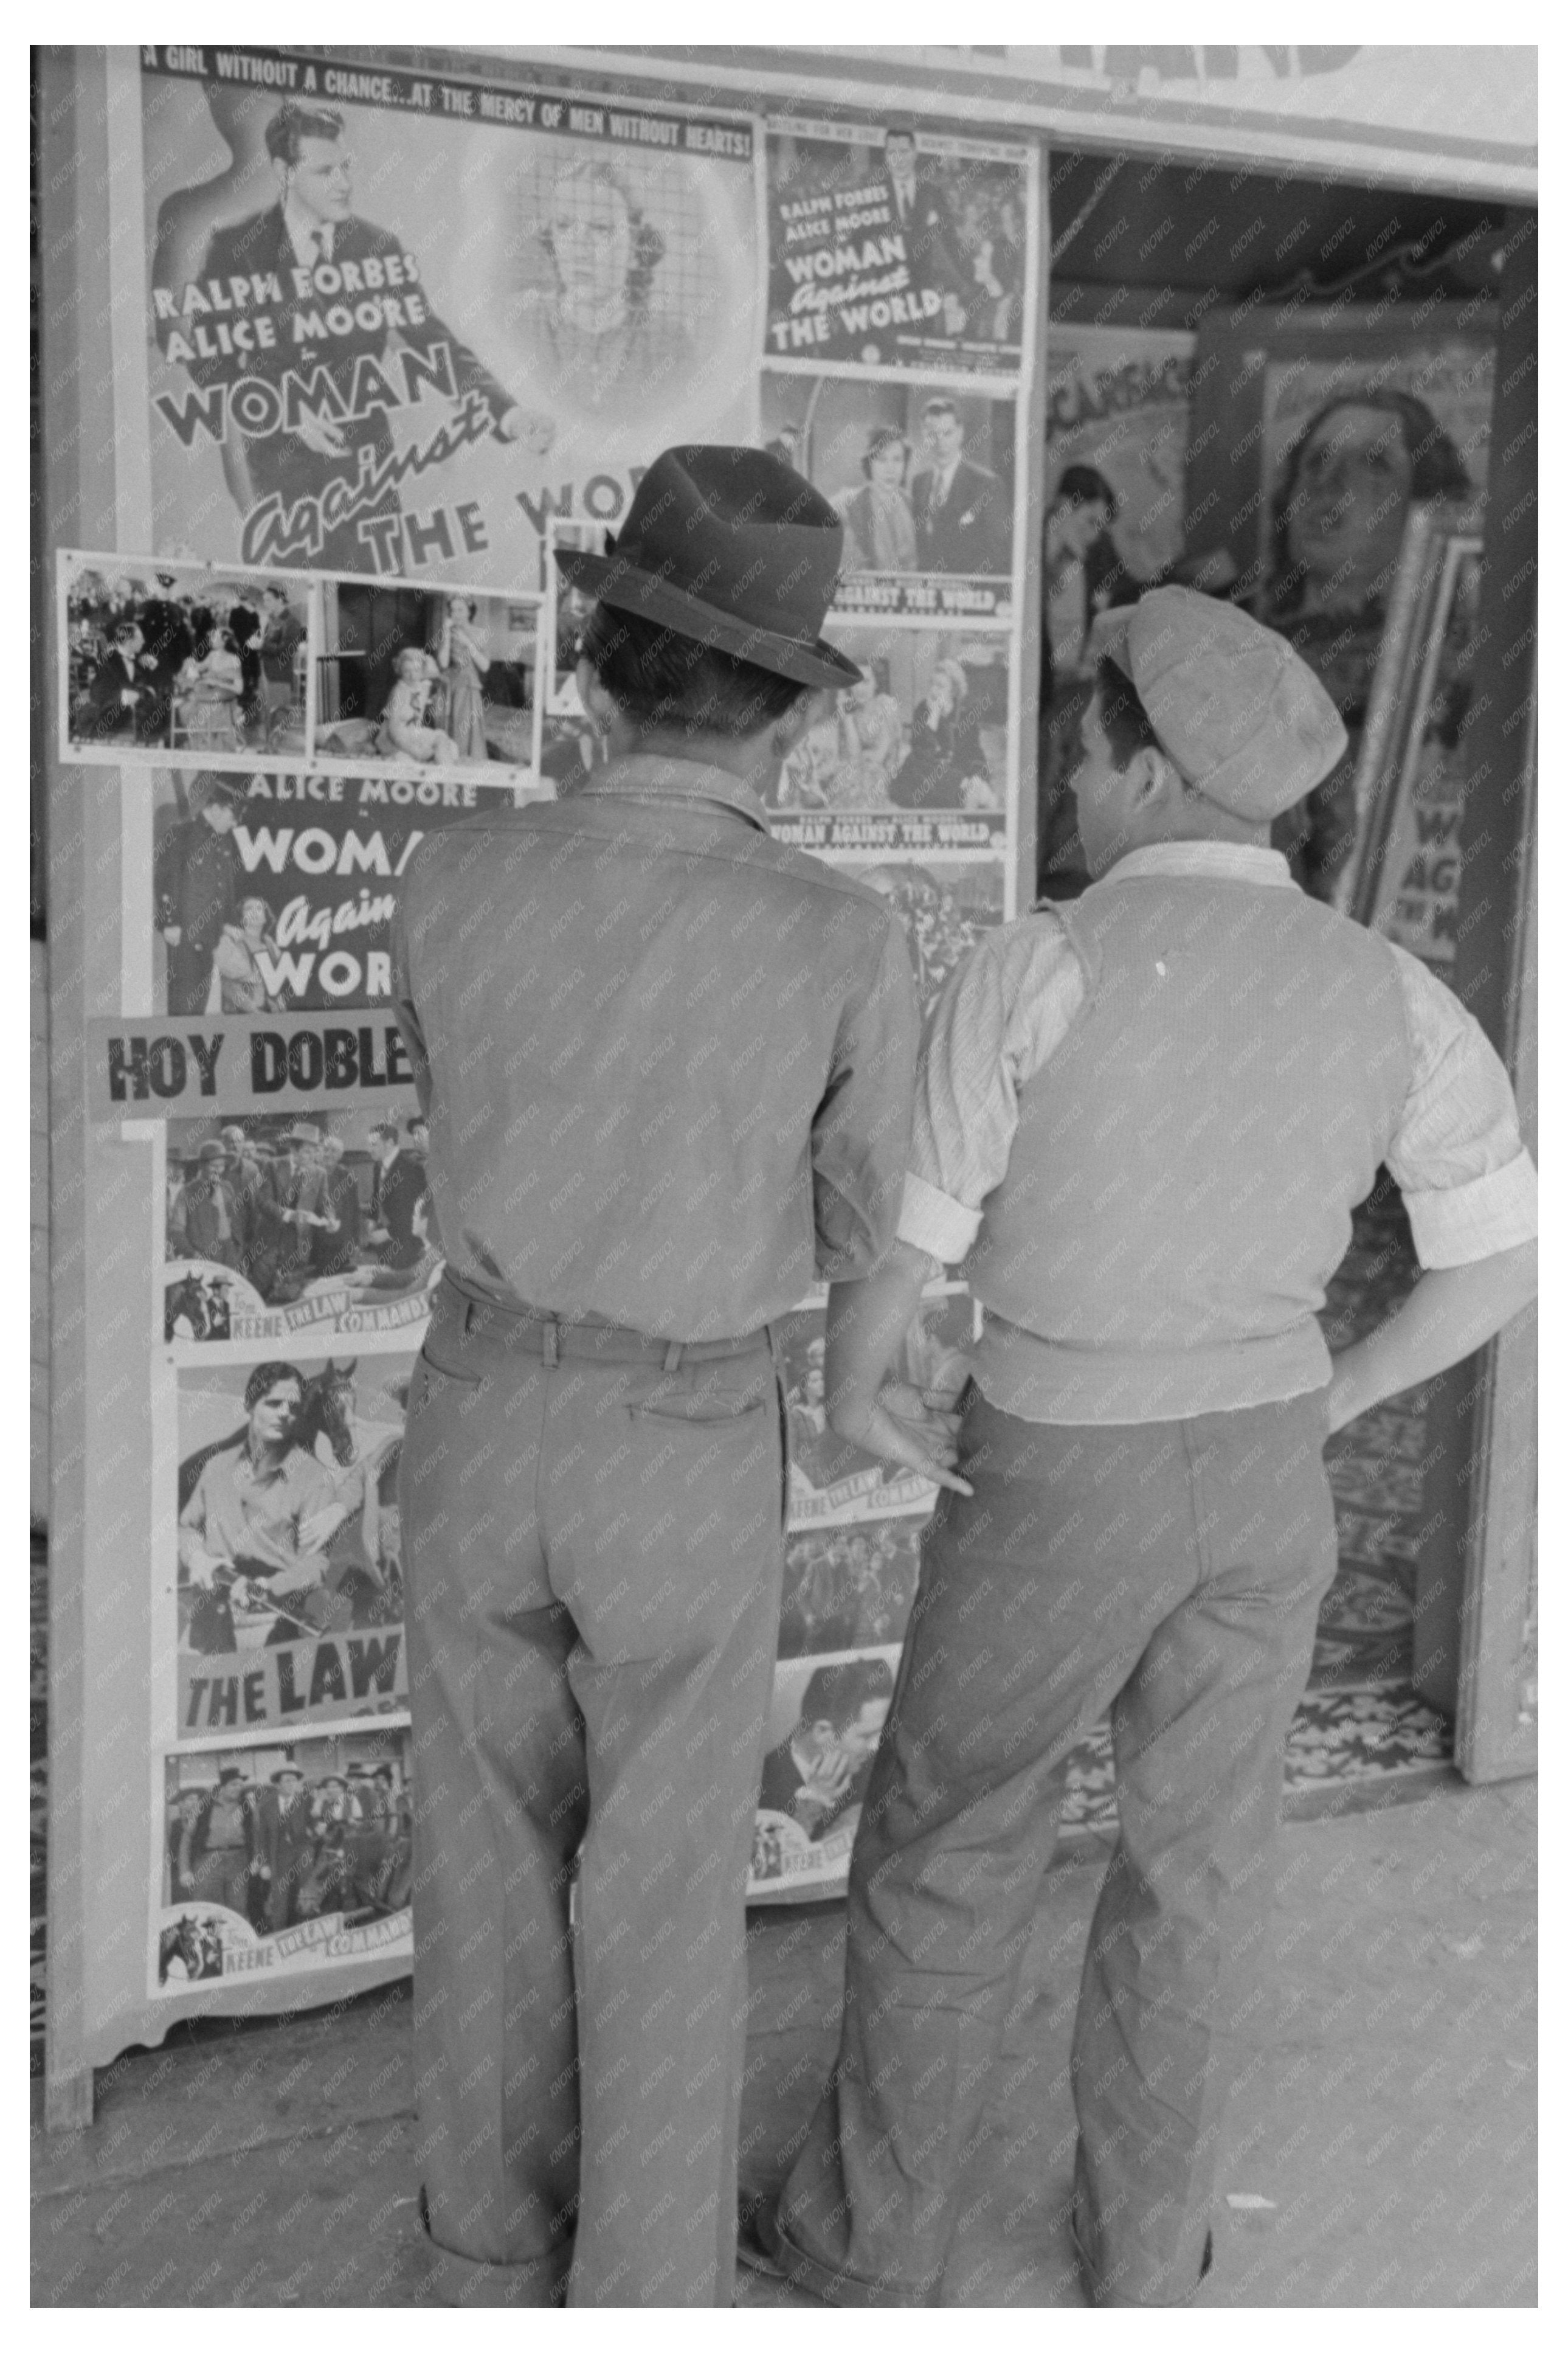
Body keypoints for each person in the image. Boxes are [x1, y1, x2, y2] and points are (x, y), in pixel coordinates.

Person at [741, 587, 1539, 2308]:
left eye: (1089, 754)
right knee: (1195, 1869)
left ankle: (870, 2235)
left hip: (1053, 1475)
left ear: (1150, 765)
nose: (1074, 789)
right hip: (1261, 1482)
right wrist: (1327, 1395)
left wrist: (861, 1387)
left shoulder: (1045, 959)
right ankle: (1146, 2251)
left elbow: (901, 1271)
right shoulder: (1385, 989)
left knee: (953, 1838)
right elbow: (1495, 1257)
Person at [390, 442, 922, 2307]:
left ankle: (480, 2258)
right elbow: (864, 1224)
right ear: (786, 704)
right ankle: (641, 2293)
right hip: (686, 1424)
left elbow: (461, 1099)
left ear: (603, 656)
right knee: (664, 1883)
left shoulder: (447, 872)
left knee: (479, 1858)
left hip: (473, 1403)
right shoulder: (840, 933)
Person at [178, 102, 530, 570]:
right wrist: (279, 406)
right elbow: (205, 357)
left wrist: (503, 412)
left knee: (382, 619)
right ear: (284, 171)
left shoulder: (375, 249)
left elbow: (432, 342)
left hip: (369, 482)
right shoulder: (235, 249)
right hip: (282, 484)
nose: (343, 183)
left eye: (346, 167)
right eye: (325, 171)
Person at [1263, 390, 1474, 902]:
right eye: (1314, 460)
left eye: (1373, 463)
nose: (1326, 483)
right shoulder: (1239, 647)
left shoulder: (1443, 671)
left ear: (1424, 504)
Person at [178, 1360, 359, 1651]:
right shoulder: (216, 1467)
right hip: (208, 1622)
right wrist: (198, 1559)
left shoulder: (316, 1479)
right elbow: (185, 1529)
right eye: (274, 1404)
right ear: (250, 1405)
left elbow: (316, 1563)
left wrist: (269, 1587)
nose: (285, 1413)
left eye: (293, 1407)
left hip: (272, 1620)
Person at [508, 156, 692, 421]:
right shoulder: (518, 319)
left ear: (635, 249)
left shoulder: (670, 342)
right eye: (563, 225)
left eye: (600, 228)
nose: (578, 245)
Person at [756, 1659, 896, 1842]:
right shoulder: (763, 1786)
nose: (877, 1745)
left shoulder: (877, 1765)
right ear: (822, 1732)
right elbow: (769, 1864)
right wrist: (813, 1801)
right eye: (866, 1736)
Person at [153, 772, 248, 1016]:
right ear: (216, 808)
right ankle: (178, 1049)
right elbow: (167, 881)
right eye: (232, 816)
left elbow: (225, 886)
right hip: (186, 935)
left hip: (211, 937)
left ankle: (190, 1050)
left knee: (199, 1004)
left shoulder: (224, 842)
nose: (235, 824)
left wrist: (229, 922)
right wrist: (169, 922)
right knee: (184, 1003)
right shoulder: (182, 835)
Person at [910, 398, 1009, 575]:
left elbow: (999, 553)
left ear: (961, 433)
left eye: (947, 433)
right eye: (933, 435)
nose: (941, 443)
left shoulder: (987, 485)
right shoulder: (919, 483)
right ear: (924, 436)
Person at [882, 128, 967, 330]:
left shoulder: (933, 194)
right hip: (886, 300)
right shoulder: (874, 194)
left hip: (928, 298)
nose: (898, 159)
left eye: (904, 152)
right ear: (885, 156)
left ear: (915, 154)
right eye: (892, 153)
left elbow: (951, 245)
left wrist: (955, 289)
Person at [886, 658, 976, 811]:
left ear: (953, 691)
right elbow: (922, 750)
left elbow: (971, 752)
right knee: (915, 765)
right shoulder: (922, 709)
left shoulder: (966, 716)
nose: (934, 691)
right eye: (932, 684)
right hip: (925, 768)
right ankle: (955, 791)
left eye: (940, 686)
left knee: (930, 775)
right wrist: (933, 716)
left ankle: (956, 792)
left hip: (952, 768)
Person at [832, 428, 918, 573]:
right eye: (882, 460)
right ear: (869, 464)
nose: (890, 469)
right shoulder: (849, 504)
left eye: (897, 460)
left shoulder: (911, 503)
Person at [251, 1765, 317, 1933]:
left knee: (302, 1896)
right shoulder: (266, 1807)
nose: (292, 1784)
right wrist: (264, 1864)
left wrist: (314, 1830)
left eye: (294, 1780)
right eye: (287, 1781)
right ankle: (280, 1934)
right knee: (280, 1899)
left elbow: (316, 1826)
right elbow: (261, 1838)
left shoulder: (307, 1801)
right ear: (278, 1785)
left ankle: (301, 1932)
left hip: (303, 1857)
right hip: (278, 1858)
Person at [375, 649, 460, 766]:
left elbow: (436, 675)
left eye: (416, 670)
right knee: (411, 760)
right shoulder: (399, 692)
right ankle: (445, 774)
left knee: (445, 742)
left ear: (422, 671)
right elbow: (393, 731)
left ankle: (447, 775)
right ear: (400, 672)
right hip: (395, 739)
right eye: (406, 671)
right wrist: (414, 751)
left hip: (412, 733)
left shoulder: (421, 687)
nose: (412, 676)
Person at [435, 595, 490, 763]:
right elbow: (443, 663)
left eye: (460, 610)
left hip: (468, 684)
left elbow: (485, 666)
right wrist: (445, 634)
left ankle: (467, 762)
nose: (456, 614)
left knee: (464, 728)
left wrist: (468, 643)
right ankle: (449, 762)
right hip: (449, 684)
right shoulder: (447, 632)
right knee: (445, 725)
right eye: (453, 610)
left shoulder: (480, 633)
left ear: (469, 612)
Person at [81, 620, 153, 743]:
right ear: (130, 642)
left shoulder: (136, 660)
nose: (144, 642)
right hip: (109, 721)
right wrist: (122, 697)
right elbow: (97, 694)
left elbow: (141, 686)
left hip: (132, 717)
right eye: (140, 639)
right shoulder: (111, 660)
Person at [212, 896, 283, 1015]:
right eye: (249, 909)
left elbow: (274, 984)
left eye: (259, 909)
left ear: (266, 917)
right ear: (241, 916)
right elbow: (228, 986)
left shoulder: (270, 944)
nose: (254, 912)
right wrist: (253, 1011)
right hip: (239, 1015)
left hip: (267, 1012)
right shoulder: (229, 941)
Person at [179, 1139, 244, 1270]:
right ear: (202, 1166)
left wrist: (238, 1249)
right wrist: (193, 1254)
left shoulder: (227, 1188)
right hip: (202, 1259)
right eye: (213, 1166)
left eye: (221, 1166)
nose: (218, 1171)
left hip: (229, 1256)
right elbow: (176, 1231)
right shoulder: (187, 1192)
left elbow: (235, 1223)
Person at [257, 584, 306, 743]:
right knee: (267, 713)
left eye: (269, 600)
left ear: (280, 600)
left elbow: (287, 650)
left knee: (278, 712)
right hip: (267, 672)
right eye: (264, 600)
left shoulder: (292, 622)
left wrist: (261, 645)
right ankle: (269, 747)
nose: (266, 603)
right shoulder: (272, 620)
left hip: (279, 674)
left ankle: (275, 748)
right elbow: (267, 644)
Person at [310, 1135, 363, 1282]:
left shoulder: (347, 1177)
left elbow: (354, 1211)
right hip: (317, 1239)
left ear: (340, 1155)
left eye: (334, 1151)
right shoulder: (311, 1173)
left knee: (340, 1281)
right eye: (326, 1150)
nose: (328, 1154)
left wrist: (355, 1242)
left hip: (340, 1241)